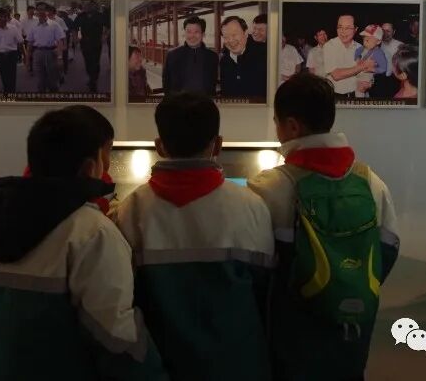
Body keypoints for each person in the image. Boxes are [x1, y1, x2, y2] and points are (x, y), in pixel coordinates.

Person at [0, 106, 168, 381]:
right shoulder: (91, 232)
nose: (107, 167)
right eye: (106, 156)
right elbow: (115, 338)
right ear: (90, 167)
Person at [248, 74, 400, 381]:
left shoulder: (268, 188)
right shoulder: (372, 183)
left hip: (289, 349)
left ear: (292, 126)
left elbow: (253, 277)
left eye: (277, 123)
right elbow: (385, 256)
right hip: (350, 343)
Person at [113, 93, 274, 381]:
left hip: (161, 367)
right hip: (236, 368)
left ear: (159, 146)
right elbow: (266, 295)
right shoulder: (253, 207)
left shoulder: (128, 211)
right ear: (218, 145)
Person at [162, 16, 218, 96]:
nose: (192, 35)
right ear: (184, 33)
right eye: (188, 32)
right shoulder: (172, 55)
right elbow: (166, 82)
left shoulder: (212, 57)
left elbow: (213, 83)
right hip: (179, 102)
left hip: (204, 102)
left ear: (203, 34)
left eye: (196, 32)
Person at [323, 14, 375, 98]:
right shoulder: (330, 46)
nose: (343, 31)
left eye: (347, 28)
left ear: (355, 29)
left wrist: (370, 83)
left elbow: (369, 72)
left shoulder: (360, 48)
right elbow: (336, 75)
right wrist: (362, 66)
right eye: (340, 27)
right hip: (335, 96)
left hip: (356, 96)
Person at [219, 16, 267, 99]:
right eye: (226, 37)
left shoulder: (265, 54)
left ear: (246, 33)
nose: (231, 40)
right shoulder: (224, 61)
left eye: (234, 35)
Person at [29, 2, 66, 93]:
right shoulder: (33, 26)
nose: (40, 12)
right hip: (38, 53)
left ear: (47, 11)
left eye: (43, 9)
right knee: (40, 80)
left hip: (51, 53)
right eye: (38, 10)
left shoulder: (54, 25)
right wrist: (28, 59)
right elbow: (30, 43)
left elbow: (60, 41)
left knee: (52, 80)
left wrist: (60, 57)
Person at [76, 1, 108, 93]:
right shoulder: (81, 16)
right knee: (87, 61)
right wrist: (75, 38)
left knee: (95, 61)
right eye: (86, 5)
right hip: (85, 42)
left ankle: (94, 80)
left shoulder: (100, 15)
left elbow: (108, 26)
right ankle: (91, 77)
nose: (87, 7)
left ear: (94, 6)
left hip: (96, 42)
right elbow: (75, 27)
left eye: (90, 5)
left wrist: (104, 36)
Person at [0, 7, 24, 94]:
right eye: (1, 17)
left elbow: (21, 42)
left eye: (5, 16)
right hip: (0, 55)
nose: (3, 19)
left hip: (12, 55)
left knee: (12, 75)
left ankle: (11, 92)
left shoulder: (13, 28)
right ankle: (6, 91)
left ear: (7, 17)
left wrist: (24, 56)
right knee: (3, 75)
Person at [354, 24, 388, 98]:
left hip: (366, 75)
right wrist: (357, 58)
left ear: (378, 41)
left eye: (369, 39)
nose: (365, 41)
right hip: (357, 73)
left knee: (359, 90)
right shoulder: (361, 48)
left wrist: (372, 69)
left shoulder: (378, 53)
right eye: (364, 38)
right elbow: (356, 53)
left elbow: (383, 68)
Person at [20, 5, 38, 75]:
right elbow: (20, 30)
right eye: (30, 11)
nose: (32, 12)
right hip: (27, 39)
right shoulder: (23, 20)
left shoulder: (37, 19)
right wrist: (21, 38)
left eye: (33, 11)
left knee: (35, 54)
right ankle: (30, 67)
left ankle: (34, 67)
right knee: (29, 54)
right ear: (27, 12)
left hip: (36, 39)